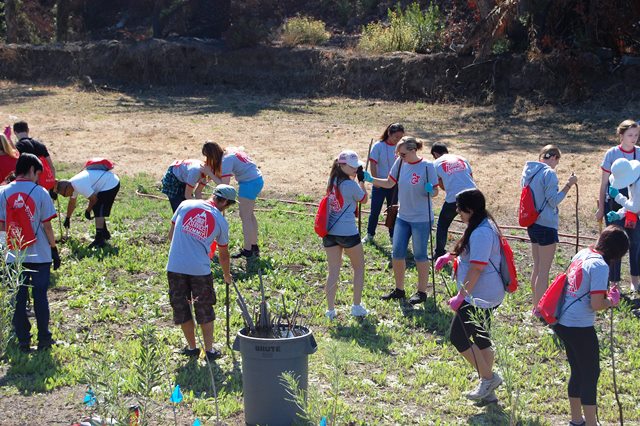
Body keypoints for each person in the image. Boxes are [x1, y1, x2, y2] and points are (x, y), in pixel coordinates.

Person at [434, 189, 504, 403]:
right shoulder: (479, 224)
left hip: (478, 296)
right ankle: (488, 390)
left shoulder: (483, 232)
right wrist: (449, 255)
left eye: (459, 208)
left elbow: (476, 268)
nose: (457, 211)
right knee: (482, 339)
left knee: (458, 337)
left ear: (471, 209)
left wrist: (460, 296)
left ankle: (489, 378)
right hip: (482, 293)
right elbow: (468, 247)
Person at [553, 225, 627, 426]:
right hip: (579, 327)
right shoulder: (600, 266)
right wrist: (612, 300)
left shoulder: (583, 253)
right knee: (590, 374)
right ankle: (592, 423)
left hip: (562, 321)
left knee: (577, 370)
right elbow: (596, 304)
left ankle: (577, 420)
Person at [364, 136, 439, 305]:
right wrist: (370, 179)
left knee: (420, 255)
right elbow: (390, 183)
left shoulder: (428, 167)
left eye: (403, 154)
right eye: (398, 154)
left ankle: (421, 292)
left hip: (421, 219)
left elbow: (435, 192)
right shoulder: (399, 163)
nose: (400, 157)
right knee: (397, 254)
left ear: (413, 150)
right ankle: (399, 290)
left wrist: (431, 190)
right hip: (402, 217)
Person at [166, 184, 235, 361]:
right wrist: (227, 276)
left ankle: (191, 348)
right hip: (200, 271)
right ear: (225, 202)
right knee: (204, 308)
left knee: (182, 308)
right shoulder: (220, 221)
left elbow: (171, 235)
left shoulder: (185, 204)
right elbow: (224, 255)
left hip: (175, 266)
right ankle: (209, 351)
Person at [0, 153, 61, 352]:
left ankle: (23, 340)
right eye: (38, 174)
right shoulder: (41, 192)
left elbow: (2, 226)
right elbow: (47, 226)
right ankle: (44, 338)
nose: (38, 179)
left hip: (14, 255)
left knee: (18, 298)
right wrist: (54, 248)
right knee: (40, 296)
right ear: (33, 170)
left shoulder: (3, 192)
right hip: (40, 254)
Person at [521, 145, 577, 309]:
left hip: (532, 223)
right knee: (544, 270)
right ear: (554, 158)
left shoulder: (529, 171)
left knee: (537, 266)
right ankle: (540, 308)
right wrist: (569, 185)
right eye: (557, 161)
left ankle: (534, 304)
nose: (556, 165)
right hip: (546, 224)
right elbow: (553, 201)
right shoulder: (549, 173)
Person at [323, 150, 369, 320]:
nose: (355, 169)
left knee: (333, 270)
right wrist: (362, 182)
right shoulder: (351, 185)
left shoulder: (332, 180)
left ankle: (330, 310)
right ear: (342, 165)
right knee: (359, 268)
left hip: (330, 231)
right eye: (352, 167)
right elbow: (363, 199)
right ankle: (356, 306)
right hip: (348, 232)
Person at [596, 120, 640, 292]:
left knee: (636, 241)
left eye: (636, 135)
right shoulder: (612, 153)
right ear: (621, 135)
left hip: (635, 201)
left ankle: (634, 280)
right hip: (614, 202)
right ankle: (614, 282)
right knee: (615, 241)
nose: (634, 138)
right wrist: (601, 208)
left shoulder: (639, 153)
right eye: (630, 135)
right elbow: (604, 183)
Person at [201, 142, 264, 258]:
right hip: (257, 179)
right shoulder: (229, 151)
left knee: (245, 217)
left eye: (208, 157)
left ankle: (248, 250)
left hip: (248, 184)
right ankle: (254, 245)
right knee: (249, 215)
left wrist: (209, 173)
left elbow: (224, 186)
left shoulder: (226, 161)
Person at [54, 163, 120, 248]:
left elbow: (94, 199)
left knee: (98, 208)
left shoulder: (79, 184)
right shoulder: (72, 185)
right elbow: (72, 202)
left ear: (67, 188)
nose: (66, 196)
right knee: (97, 208)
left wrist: (88, 210)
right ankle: (105, 234)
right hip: (106, 182)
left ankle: (99, 239)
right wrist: (68, 218)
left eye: (64, 194)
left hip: (111, 184)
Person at [431, 142, 477, 259]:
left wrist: (449, 188)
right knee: (475, 224)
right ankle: (475, 251)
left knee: (442, 225)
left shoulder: (436, 163)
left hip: (454, 198)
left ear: (435, 154)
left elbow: (439, 183)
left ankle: (440, 252)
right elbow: (470, 176)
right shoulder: (461, 158)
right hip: (474, 195)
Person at [362, 123, 404, 244]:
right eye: (396, 137)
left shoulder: (401, 148)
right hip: (380, 183)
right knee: (375, 210)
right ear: (389, 133)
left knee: (392, 210)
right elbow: (373, 163)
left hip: (394, 185)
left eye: (400, 137)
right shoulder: (378, 146)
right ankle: (370, 234)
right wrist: (374, 180)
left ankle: (392, 236)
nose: (398, 140)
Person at [12, 121, 56, 195]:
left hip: (27, 187)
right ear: (28, 130)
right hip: (44, 185)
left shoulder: (17, 147)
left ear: (15, 132)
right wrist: (52, 184)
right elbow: (51, 167)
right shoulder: (41, 145)